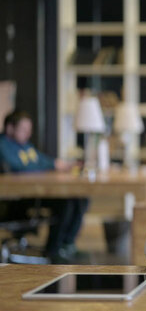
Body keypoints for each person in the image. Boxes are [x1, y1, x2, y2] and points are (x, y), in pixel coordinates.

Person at [0, 110, 89, 263]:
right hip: (14, 201)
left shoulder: (25, 146)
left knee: (80, 197)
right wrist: (50, 165)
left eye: (29, 130)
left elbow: (41, 160)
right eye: (23, 129)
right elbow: (20, 167)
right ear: (9, 128)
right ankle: (53, 250)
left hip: (32, 193)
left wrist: (57, 164)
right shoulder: (3, 146)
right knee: (65, 202)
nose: (28, 134)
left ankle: (66, 244)